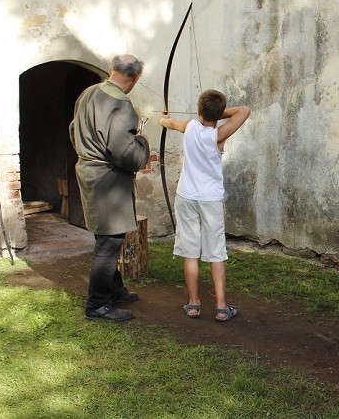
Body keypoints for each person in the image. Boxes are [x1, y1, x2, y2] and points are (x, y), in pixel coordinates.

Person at [69, 54, 150, 321]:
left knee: (107, 235)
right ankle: (98, 305)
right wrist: (143, 144)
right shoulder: (120, 103)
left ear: (110, 69)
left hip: (89, 170)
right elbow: (124, 153)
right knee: (109, 241)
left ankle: (113, 289)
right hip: (107, 178)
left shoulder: (89, 92)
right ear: (136, 78)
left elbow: (73, 130)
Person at [160, 90, 250, 322]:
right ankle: (221, 307)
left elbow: (169, 122)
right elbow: (244, 111)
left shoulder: (189, 126)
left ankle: (193, 304)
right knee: (216, 251)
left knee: (191, 252)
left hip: (187, 196)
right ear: (217, 114)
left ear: (198, 111)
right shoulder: (219, 135)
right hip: (209, 199)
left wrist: (163, 119)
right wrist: (219, 113)